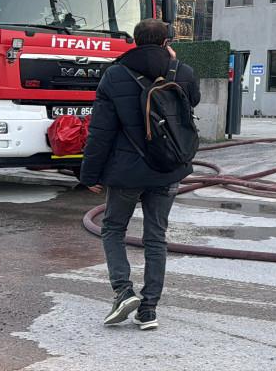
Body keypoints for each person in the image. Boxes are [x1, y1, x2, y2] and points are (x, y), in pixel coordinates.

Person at [80, 19, 200, 330]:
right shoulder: (182, 72)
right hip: (168, 169)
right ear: (165, 42)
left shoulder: (115, 74)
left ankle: (123, 291)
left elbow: (101, 132)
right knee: (156, 236)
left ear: (134, 40)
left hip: (127, 172)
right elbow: (192, 103)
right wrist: (172, 62)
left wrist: (90, 173)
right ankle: (149, 310)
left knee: (113, 229)